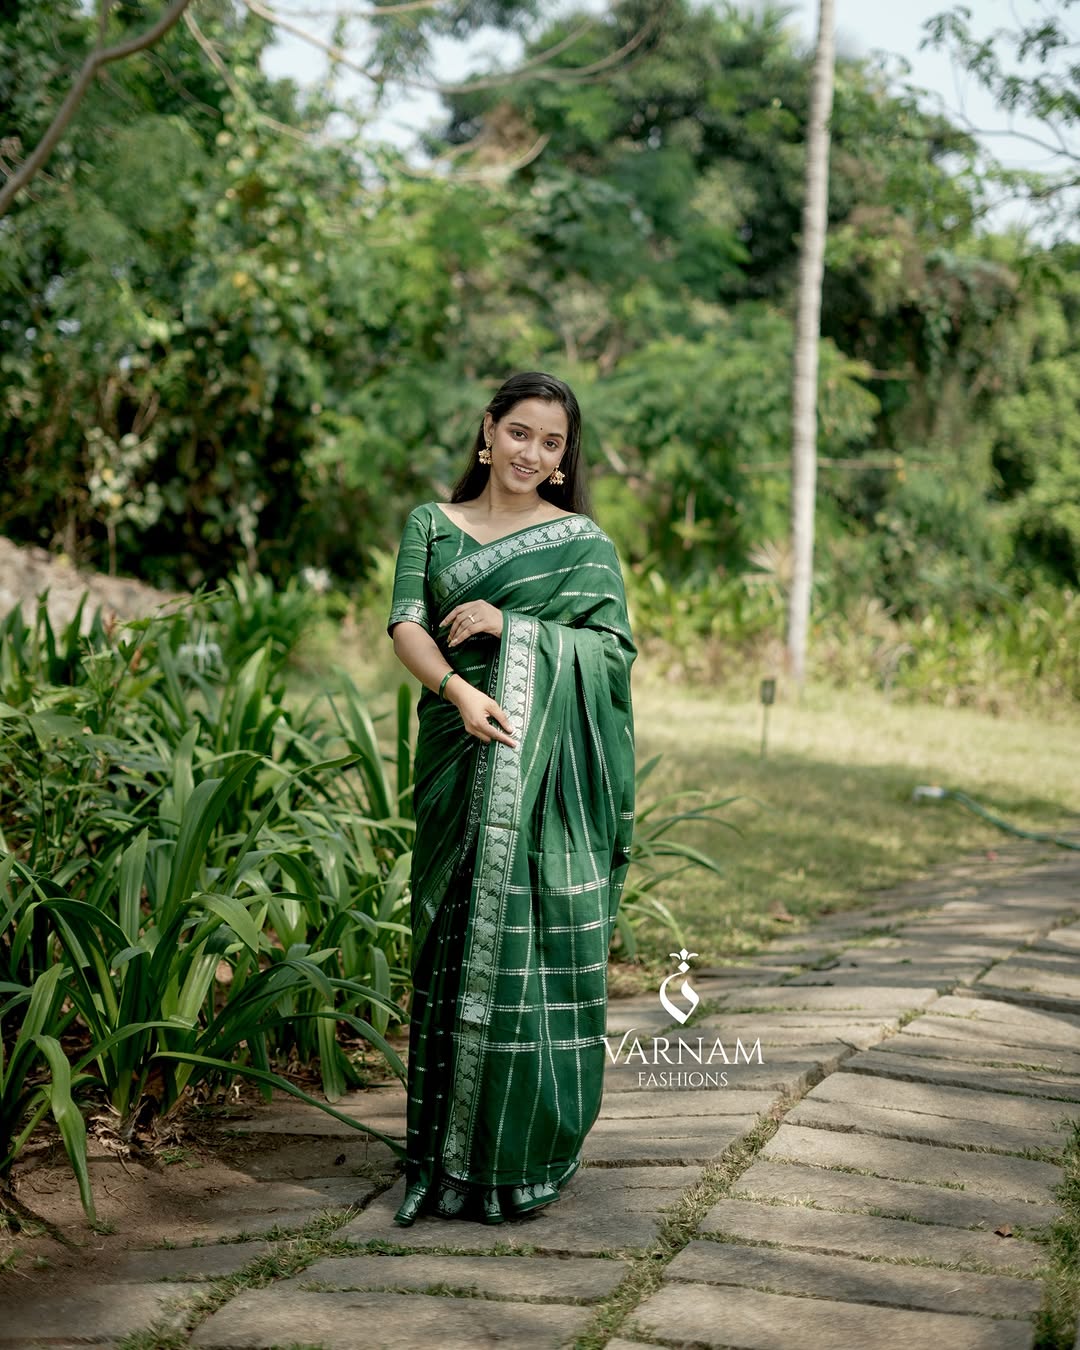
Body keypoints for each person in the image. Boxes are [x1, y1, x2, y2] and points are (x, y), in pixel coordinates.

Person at [385, 370, 637, 1226]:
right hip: (459, 751)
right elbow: (406, 626)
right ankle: (441, 1157)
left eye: (553, 442)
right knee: (450, 939)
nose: (533, 452)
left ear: (566, 460)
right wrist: (458, 690)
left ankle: (512, 1156)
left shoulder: (583, 543)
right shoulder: (432, 525)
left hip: (540, 775)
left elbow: (610, 656)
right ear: (487, 431)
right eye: (520, 432)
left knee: (528, 948)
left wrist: (514, 627)